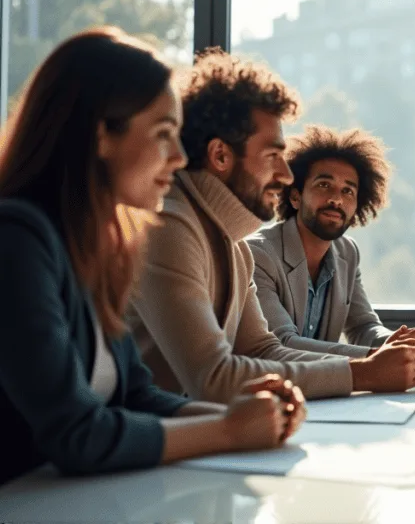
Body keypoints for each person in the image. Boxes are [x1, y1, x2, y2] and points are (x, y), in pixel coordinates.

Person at [0, 28, 306, 485]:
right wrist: (227, 429)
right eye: (165, 134)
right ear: (101, 134)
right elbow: (76, 433)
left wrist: (251, 417)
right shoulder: (17, 240)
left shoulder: (95, 248)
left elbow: (137, 394)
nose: (181, 158)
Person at [125, 49, 415, 404]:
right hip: (146, 448)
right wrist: (364, 372)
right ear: (221, 156)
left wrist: (376, 363)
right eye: (273, 156)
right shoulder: (170, 225)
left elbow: (262, 349)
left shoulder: (232, 243)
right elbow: (212, 376)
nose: (286, 176)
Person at [248, 124, 415, 356]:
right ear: (295, 196)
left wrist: (398, 341)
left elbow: (363, 326)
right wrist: (373, 360)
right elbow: (282, 343)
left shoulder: (347, 252)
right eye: (324, 185)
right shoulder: (258, 254)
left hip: (324, 390)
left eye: (348, 191)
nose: (336, 199)